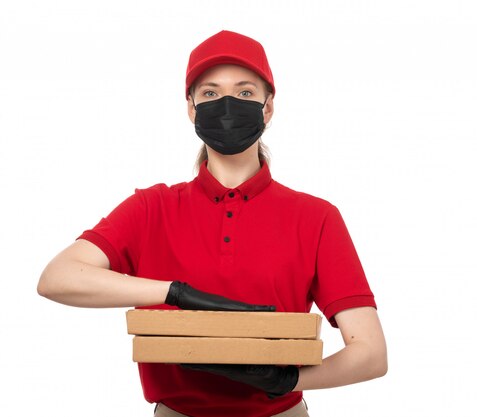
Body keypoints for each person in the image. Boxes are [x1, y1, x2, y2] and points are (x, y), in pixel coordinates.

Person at [37, 29, 387, 417]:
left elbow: (371, 354)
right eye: (209, 93)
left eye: (245, 93)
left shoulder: (316, 217)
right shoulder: (151, 208)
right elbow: (57, 278)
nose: (226, 105)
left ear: (268, 108)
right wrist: (173, 292)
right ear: (191, 109)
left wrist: (289, 381)